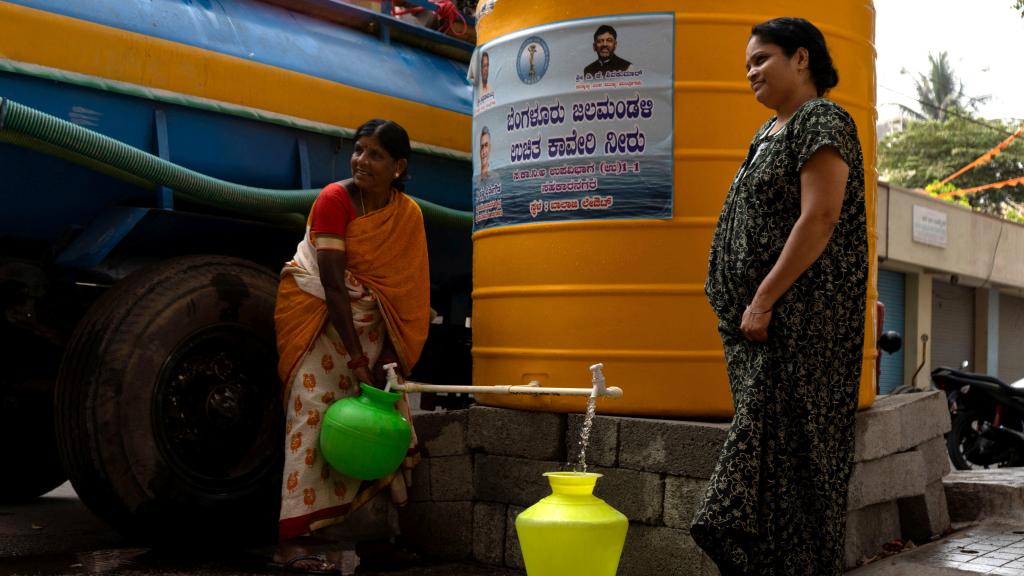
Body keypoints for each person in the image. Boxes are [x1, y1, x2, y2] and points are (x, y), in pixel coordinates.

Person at [690, 17, 867, 575]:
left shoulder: (821, 119)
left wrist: (763, 299)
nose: (751, 72)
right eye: (747, 64)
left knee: (782, 471)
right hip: (755, 334)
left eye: (762, 59)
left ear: (801, 58)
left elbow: (820, 217)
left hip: (795, 330)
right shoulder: (767, 131)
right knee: (770, 477)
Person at [272, 119, 430, 573]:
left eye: (375, 154)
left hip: (375, 331)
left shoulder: (408, 215)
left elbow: (409, 291)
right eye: (358, 150)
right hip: (321, 323)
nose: (361, 161)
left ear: (398, 167)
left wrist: (388, 356)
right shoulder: (334, 199)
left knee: (377, 428)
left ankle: (375, 539)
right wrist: (356, 358)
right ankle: (294, 542)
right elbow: (333, 284)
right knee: (312, 420)